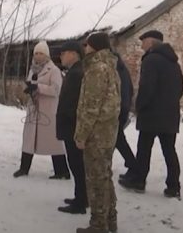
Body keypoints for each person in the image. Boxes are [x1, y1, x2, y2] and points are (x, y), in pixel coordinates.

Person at [118, 30, 183, 199]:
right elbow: (180, 88)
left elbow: (147, 87)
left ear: (152, 42)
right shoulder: (173, 62)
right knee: (169, 150)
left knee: (144, 149)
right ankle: (173, 186)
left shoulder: (151, 60)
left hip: (151, 114)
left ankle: (139, 181)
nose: (141, 45)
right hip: (170, 114)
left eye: (144, 41)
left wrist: (139, 105)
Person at [75, 32, 121, 233]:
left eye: (87, 45)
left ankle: (98, 225)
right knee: (105, 176)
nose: (84, 48)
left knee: (96, 180)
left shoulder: (96, 69)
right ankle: (110, 220)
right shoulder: (111, 67)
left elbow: (91, 106)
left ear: (94, 46)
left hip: (96, 134)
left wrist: (81, 135)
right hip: (108, 131)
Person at [14, 41, 70, 179]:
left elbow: (56, 90)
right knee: (28, 139)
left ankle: (62, 171)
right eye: (36, 53)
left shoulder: (54, 70)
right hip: (34, 108)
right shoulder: (33, 69)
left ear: (46, 55)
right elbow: (30, 83)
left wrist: (38, 88)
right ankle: (24, 168)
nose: (38, 56)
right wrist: (28, 89)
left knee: (53, 142)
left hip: (48, 110)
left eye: (41, 53)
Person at [55, 41, 88, 215]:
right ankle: (82, 197)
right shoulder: (75, 71)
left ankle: (80, 202)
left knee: (77, 165)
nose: (61, 56)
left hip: (73, 126)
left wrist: (67, 117)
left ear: (74, 53)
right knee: (77, 164)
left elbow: (73, 102)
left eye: (63, 53)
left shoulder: (77, 73)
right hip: (72, 126)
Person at [113, 50, 137, 178]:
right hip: (123, 107)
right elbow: (131, 90)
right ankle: (132, 164)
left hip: (117, 108)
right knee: (116, 138)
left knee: (117, 138)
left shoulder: (114, 71)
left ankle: (133, 165)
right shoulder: (123, 70)